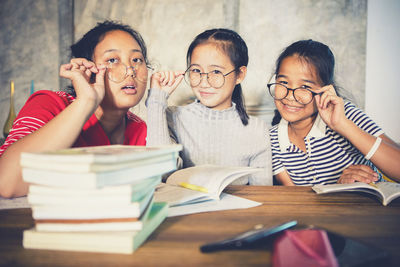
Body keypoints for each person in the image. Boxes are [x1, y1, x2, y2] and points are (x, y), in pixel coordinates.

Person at [0, 21, 150, 198]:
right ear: (89, 69)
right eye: (112, 60)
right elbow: (7, 183)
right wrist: (86, 101)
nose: (130, 71)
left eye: (137, 60)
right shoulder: (50, 104)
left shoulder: (139, 129)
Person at [145, 28, 272, 185]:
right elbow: (161, 172)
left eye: (216, 72)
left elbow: (263, 194)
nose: (204, 82)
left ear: (239, 75)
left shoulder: (257, 129)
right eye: (196, 70)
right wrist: (156, 100)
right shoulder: (173, 117)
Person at [268, 39, 400, 186]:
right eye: (283, 83)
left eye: (305, 86)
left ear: (326, 89)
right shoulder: (272, 141)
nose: (290, 96)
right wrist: (338, 187)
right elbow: (296, 202)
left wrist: (342, 125)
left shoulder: (346, 114)